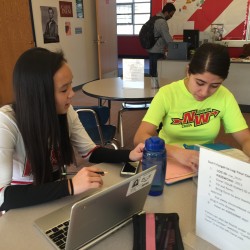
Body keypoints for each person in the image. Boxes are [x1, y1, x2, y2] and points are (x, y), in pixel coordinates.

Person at [0, 47, 144, 212]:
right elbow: (2, 196)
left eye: (71, 86)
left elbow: (91, 152)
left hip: (54, 196)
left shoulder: (65, 111)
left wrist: (129, 155)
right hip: (21, 206)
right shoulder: (6, 122)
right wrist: (69, 186)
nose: (72, 94)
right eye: (63, 90)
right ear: (38, 94)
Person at [134, 43, 250, 170]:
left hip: (204, 163)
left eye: (215, 86)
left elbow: (245, 138)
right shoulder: (167, 93)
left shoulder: (225, 96)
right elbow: (140, 137)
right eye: (200, 83)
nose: (205, 92)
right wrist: (176, 152)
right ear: (188, 71)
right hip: (170, 159)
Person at [148, 3, 176, 78]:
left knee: (153, 73)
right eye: (170, 15)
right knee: (156, 75)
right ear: (166, 12)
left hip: (152, 49)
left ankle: (153, 88)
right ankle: (155, 89)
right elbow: (167, 38)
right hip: (157, 51)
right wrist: (176, 48)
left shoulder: (155, 17)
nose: (170, 17)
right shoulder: (162, 22)